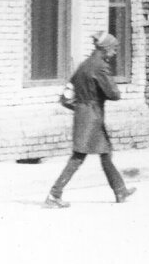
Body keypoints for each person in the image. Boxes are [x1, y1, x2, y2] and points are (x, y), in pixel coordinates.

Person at [44, 33, 135, 208]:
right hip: (93, 117)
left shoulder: (84, 65)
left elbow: (66, 96)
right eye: (114, 49)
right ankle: (54, 195)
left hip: (84, 115)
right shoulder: (100, 67)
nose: (115, 53)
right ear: (105, 49)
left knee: (105, 153)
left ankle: (120, 190)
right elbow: (114, 94)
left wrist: (80, 107)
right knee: (78, 157)